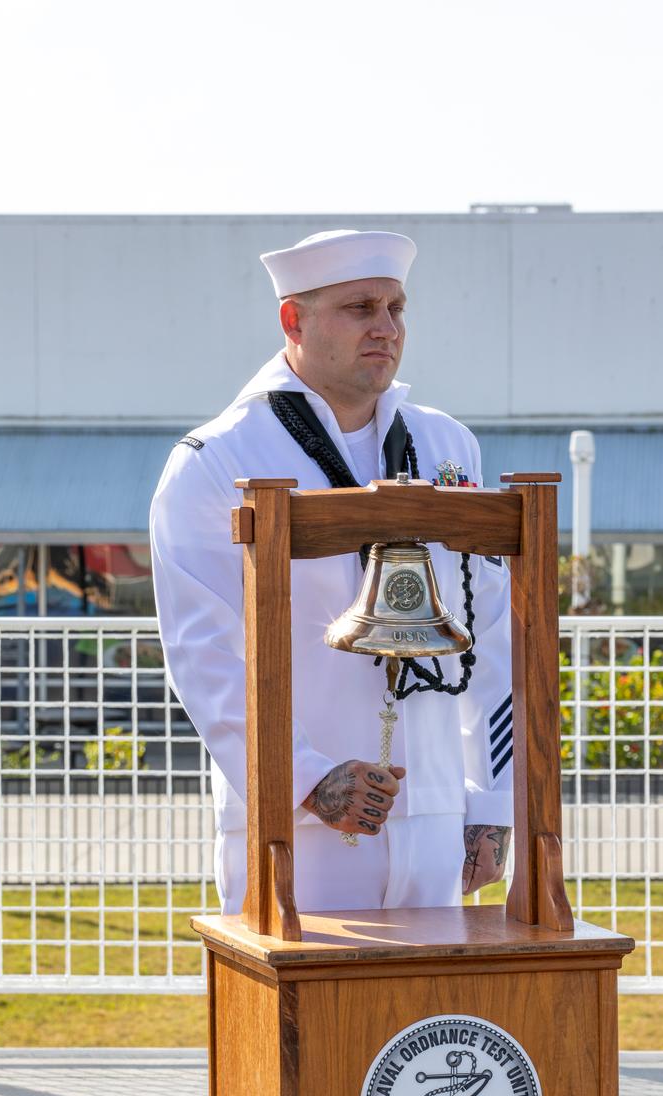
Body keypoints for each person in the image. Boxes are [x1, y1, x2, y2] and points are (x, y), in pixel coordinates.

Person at [150, 229, 513, 914]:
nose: (385, 328)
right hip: (301, 824)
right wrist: (308, 781)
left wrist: (491, 800)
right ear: (293, 319)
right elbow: (203, 654)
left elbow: (490, 628)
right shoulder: (217, 459)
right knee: (304, 1019)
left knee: (429, 1019)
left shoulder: (445, 444)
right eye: (359, 308)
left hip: (435, 810)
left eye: (395, 308)